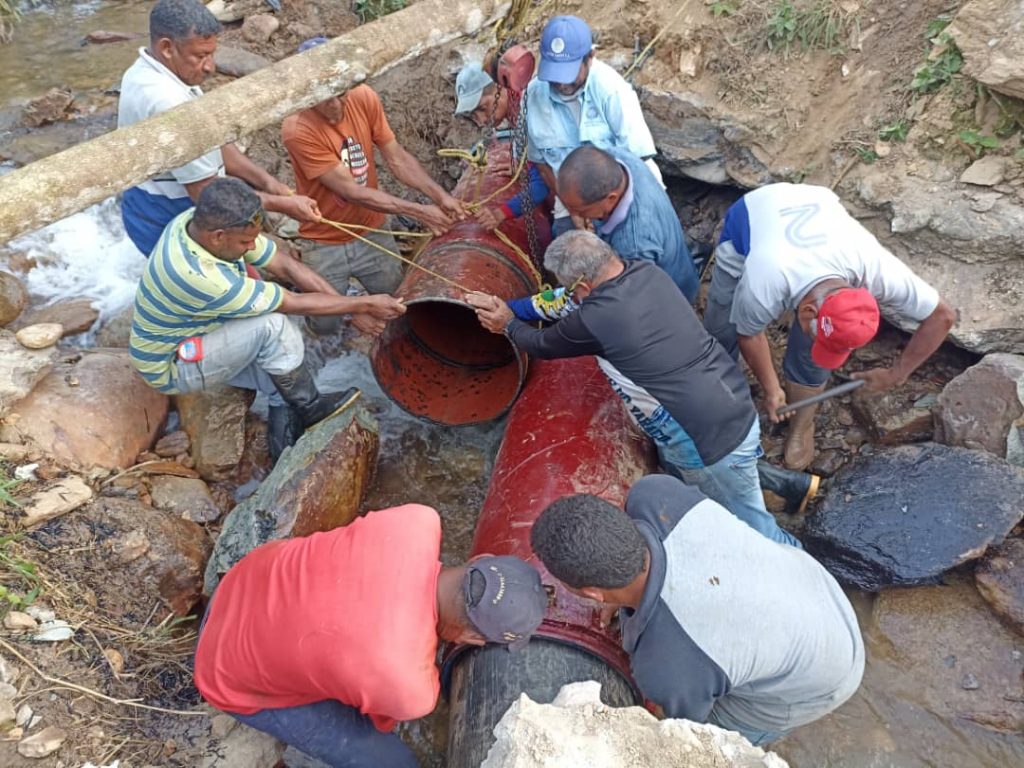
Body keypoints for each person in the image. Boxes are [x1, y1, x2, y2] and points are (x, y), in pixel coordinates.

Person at [467, 231, 798, 547]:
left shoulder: (596, 318)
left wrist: (507, 324)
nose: (570, 294)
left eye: (570, 287)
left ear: (584, 285)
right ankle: (785, 485)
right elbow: (565, 302)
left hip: (702, 438)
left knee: (755, 529)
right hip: (729, 398)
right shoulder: (645, 271)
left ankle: (804, 569)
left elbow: (541, 343)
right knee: (726, 480)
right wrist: (515, 307)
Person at [194, 503, 547, 768]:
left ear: (480, 558)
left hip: (238, 584)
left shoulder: (418, 521)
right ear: (470, 637)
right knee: (394, 762)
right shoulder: (412, 690)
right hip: (222, 671)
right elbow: (379, 715)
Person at [530, 475, 865, 746]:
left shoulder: (668, 664)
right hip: (816, 590)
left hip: (827, 677)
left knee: (704, 741)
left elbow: (688, 726)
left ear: (593, 594)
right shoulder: (655, 495)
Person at [128, 177, 406, 461]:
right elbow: (292, 302)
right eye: (245, 242)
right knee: (274, 327)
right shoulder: (201, 276)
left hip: (193, 333)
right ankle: (312, 408)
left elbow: (284, 265)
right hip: (171, 364)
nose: (251, 247)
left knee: (281, 373)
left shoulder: (195, 221)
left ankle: (282, 449)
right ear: (218, 237)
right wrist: (363, 303)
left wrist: (353, 309)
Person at [703, 182, 956, 469]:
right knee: (720, 326)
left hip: (818, 209)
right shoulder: (764, 278)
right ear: (808, 310)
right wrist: (772, 389)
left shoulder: (876, 269)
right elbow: (750, 336)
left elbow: (943, 317)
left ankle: (802, 423)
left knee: (811, 353)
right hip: (751, 217)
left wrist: (896, 374)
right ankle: (719, 387)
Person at [283, 37, 467, 333]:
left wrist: (439, 196)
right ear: (306, 95)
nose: (336, 104)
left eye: (340, 93)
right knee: (325, 323)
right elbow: (351, 191)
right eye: (325, 98)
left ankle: (373, 324)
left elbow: (397, 158)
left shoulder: (363, 96)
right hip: (325, 240)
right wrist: (420, 211)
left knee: (398, 304)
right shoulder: (297, 128)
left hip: (373, 228)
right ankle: (343, 321)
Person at [117, 0, 319, 256]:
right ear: (167, 48)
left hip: (152, 199)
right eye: (200, 56)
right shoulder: (168, 102)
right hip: (166, 212)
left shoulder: (151, 70)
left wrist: (269, 183)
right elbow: (206, 194)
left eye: (212, 54)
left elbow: (214, 142)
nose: (210, 67)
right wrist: (282, 204)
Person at [525, 15, 662, 236]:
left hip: (625, 196)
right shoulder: (533, 96)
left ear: (590, 57)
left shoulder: (612, 90)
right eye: (555, 74)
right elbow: (542, 165)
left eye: (568, 74)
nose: (561, 83)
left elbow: (639, 161)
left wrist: (607, 215)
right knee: (565, 249)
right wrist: (574, 210)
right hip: (570, 201)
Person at [557, 144, 698, 304]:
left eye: (580, 210)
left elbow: (631, 298)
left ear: (611, 198)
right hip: (678, 265)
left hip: (668, 298)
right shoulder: (617, 160)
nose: (574, 215)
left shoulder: (633, 243)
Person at [453, 56, 551, 231]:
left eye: (483, 108)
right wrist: (522, 165)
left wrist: (500, 213)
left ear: (500, 88)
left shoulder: (530, 113)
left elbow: (542, 184)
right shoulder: (520, 104)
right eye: (474, 114)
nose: (482, 120)